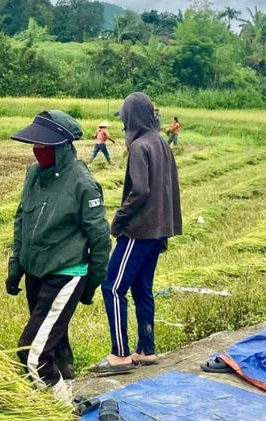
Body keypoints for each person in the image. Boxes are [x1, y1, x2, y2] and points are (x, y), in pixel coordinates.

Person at [5, 110, 112, 402]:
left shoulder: (82, 184)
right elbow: (21, 222)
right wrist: (16, 267)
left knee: (31, 355)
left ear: (62, 147)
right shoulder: (33, 175)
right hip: (35, 272)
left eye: (45, 146)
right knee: (53, 344)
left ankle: (61, 410)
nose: (38, 151)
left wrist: (89, 286)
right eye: (35, 145)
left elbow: (101, 239)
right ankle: (65, 391)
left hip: (66, 273)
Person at [89, 92, 182, 376]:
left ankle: (119, 355)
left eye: (125, 118)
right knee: (142, 288)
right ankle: (146, 350)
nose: (123, 124)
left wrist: (118, 220)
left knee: (113, 287)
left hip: (140, 230)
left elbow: (140, 191)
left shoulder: (140, 146)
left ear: (132, 118)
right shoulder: (161, 144)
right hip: (158, 231)